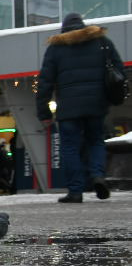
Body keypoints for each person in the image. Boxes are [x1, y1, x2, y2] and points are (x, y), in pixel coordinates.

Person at [36, 12, 124, 202]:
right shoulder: (102, 42)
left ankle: (75, 191)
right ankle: (98, 175)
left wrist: (43, 112)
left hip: (68, 108)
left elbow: (45, 82)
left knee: (70, 148)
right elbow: (119, 70)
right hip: (96, 104)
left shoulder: (55, 48)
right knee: (96, 141)